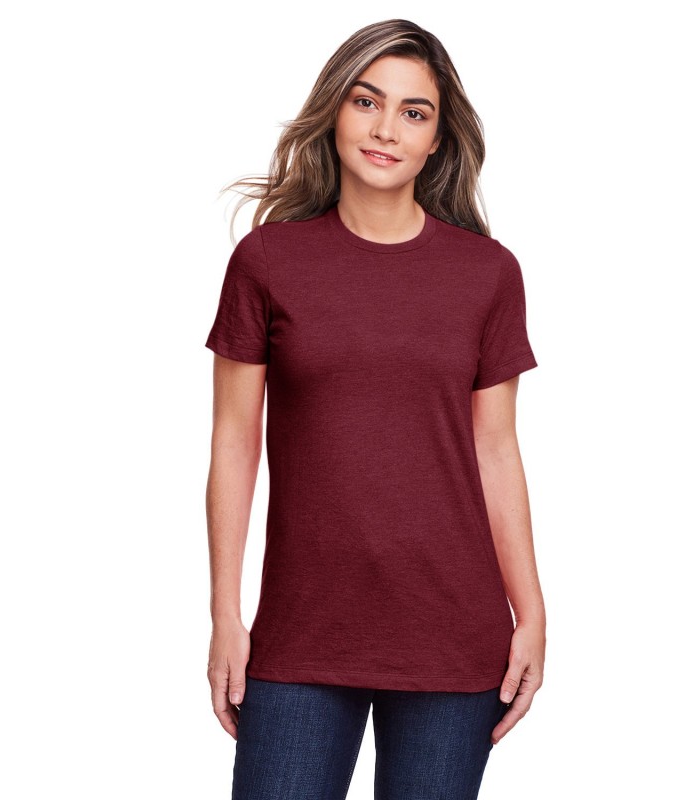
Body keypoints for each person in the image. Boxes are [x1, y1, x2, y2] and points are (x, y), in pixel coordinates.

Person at [204, 18, 546, 800]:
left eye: (413, 112)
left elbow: (496, 449)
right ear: (335, 110)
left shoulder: (488, 274)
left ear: (437, 139)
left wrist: (531, 613)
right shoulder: (266, 262)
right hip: (300, 636)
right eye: (367, 101)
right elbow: (233, 442)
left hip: (453, 636)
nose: (387, 128)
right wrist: (225, 614)